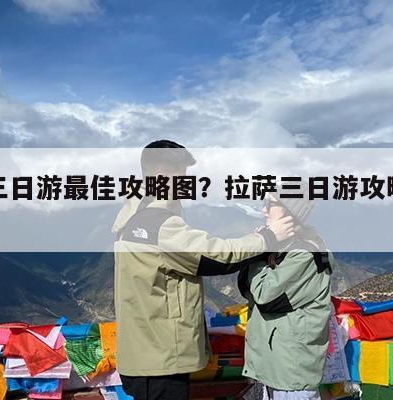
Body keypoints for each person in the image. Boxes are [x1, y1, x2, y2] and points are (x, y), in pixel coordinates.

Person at [112, 140, 296, 400]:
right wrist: (268, 238)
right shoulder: (158, 225)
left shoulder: (133, 216)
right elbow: (218, 257)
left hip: (143, 349)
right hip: (160, 357)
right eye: (182, 177)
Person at [238, 191, 333, 400]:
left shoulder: (306, 255)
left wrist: (260, 252)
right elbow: (246, 288)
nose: (264, 210)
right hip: (272, 367)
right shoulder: (283, 249)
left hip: (290, 374)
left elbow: (265, 297)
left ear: (290, 212)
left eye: (270, 204)